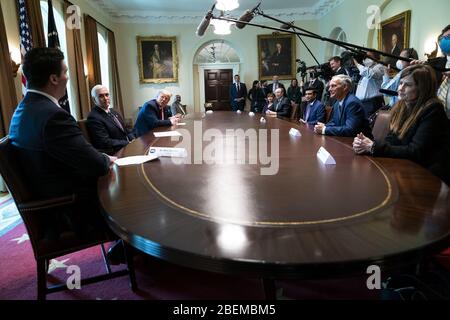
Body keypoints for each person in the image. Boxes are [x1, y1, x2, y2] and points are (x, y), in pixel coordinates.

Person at [8, 48, 124, 261]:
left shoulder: (22, 111)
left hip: (49, 204)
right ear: (53, 78)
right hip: (71, 210)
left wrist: (100, 158)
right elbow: (96, 166)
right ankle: (134, 244)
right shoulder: (53, 117)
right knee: (131, 184)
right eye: (65, 72)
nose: (67, 77)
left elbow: (76, 154)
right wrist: (107, 159)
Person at [353, 64, 450, 186]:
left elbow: (416, 152)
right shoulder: (401, 106)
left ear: (422, 88)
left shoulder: (433, 109)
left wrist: (374, 147)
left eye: (408, 85)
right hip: (406, 169)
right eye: (401, 83)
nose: (400, 88)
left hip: (428, 177)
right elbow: (391, 140)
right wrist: (366, 145)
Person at [86, 85, 135, 155]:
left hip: (127, 147)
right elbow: (104, 142)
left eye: (107, 95)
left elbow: (126, 129)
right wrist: (128, 143)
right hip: (115, 152)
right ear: (94, 99)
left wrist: (133, 139)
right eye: (101, 96)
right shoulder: (94, 117)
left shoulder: (113, 111)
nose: (105, 98)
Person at [353, 51, 385, 116]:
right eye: (365, 56)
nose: (366, 58)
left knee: (370, 124)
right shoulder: (366, 68)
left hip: (372, 102)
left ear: (375, 57)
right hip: (362, 103)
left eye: (369, 56)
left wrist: (357, 64)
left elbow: (371, 74)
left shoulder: (379, 66)